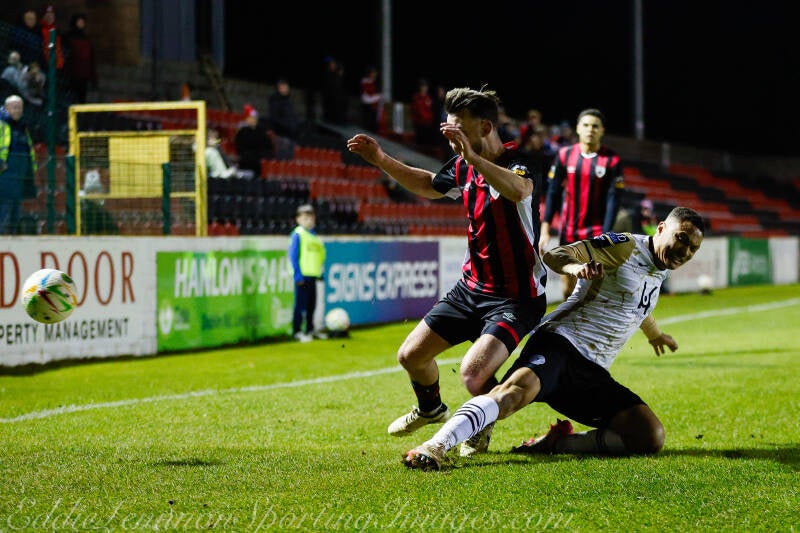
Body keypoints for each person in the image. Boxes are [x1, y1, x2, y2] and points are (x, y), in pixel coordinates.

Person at [403, 206, 705, 470]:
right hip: (561, 344)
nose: (685, 251)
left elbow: (636, 306)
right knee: (510, 397)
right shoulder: (624, 246)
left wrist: (655, 334)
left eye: (693, 248)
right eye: (681, 238)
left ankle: (557, 443)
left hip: (593, 371)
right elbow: (556, 254)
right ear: (661, 228)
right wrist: (577, 268)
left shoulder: (659, 267)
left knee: (648, 435)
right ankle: (436, 445)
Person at [346, 86, 548, 457]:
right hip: (471, 288)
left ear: (485, 127)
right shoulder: (461, 165)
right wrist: (381, 159)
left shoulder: (520, 160)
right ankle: (430, 409)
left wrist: (473, 157)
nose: (453, 140)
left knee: (473, 375)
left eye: (459, 131)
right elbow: (429, 185)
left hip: (516, 297)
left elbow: (519, 190)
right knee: (410, 356)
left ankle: (480, 425)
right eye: (449, 131)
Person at [540, 108, 625, 301]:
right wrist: (545, 229)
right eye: (586, 125)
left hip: (596, 233)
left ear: (602, 130)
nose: (590, 130)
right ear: (578, 128)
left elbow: (614, 199)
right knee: (568, 289)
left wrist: (605, 235)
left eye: (595, 126)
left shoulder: (612, 160)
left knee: (594, 290)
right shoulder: (564, 155)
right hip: (569, 232)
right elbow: (553, 192)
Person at [289, 204, 326, 343]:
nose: (308, 221)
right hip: (302, 276)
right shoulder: (298, 234)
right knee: (300, 306)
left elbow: (320, 256)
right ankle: (297, 331)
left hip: (313, 275)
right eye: (305, 218)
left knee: (312, 305)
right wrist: (297, 275)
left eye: (310, 218)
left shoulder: (315, 237)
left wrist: (320, 273)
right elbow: (293, 256)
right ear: (298, 219)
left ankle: (310, 330)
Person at [0, 95, 37, 234]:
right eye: (15, 107)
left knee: (15, 205)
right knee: (5, 204)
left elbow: (29, 149)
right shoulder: (1, 124)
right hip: (5, 171)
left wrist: (30, 168)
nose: (18, 111)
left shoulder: (22, 127)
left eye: (20, 108)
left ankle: (12, 235)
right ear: (7, 108)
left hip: (19, 172)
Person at [63, 12, 98, 104]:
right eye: (79, 22)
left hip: (83, 75)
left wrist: (93, 77)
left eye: (82, 22)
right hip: (71, 74)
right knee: (70, 99)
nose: (81, 24)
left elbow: (91, 58)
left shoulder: (86, 38)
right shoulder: (68, 37)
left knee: (82, 98)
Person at [234, 104, 273, 176]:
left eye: (255, 117)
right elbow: (240, 148)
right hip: (247, 162)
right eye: (251, 117)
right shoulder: (242, 132)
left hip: (260, 161)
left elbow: (268, 147)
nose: (254, 119)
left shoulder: (261, 131)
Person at [267, 78, 302, 159]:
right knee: (282, 160)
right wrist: (288, 127)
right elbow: (275, 119)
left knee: (289, 161)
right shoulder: (275, 101)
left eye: (286, 87)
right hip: (282, 136)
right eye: (283, 87)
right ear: (278, 88)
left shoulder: (288, 102)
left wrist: (296, 126)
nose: (285, 89)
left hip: (291, 136)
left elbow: (292, 117)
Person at [80, 169, 118, 234]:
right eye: (91, 192)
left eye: (94, 192)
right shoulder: (82, 208)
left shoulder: (104, 215)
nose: (93, 194)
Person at [409, 78, 436, 153]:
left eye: (425, 86)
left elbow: (431, 110)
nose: (424, 88)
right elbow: (417, 111)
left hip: (428, 123)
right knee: (421, 139)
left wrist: (430, 120)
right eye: (422, 86)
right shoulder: (416, 97)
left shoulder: (428, 98)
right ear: (419, 87)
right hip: (419, 123)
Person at [320, 56, 347, 125]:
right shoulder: (327, 74)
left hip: (337, 96)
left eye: (334, 64)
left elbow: (339, 85)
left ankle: (338, 122)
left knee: (338, 110)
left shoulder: (336, 74)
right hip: (329, 97)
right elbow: (327, 87)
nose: (333, 65)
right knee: (330, 111)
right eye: (331, 64)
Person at [39, 5, 64, 72]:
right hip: (44, 66)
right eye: (47, 14)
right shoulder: (39, 29)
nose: (50, 17)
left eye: (52, 14)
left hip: (57, 66)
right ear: (43, 16)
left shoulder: (57, 31)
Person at [359, 65, 383, 133]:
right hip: (368, 105)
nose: (374, 74)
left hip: (375, 105)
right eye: (373, 73)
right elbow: (366, 97)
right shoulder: (365, 82)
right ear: (369, 73)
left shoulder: (375, 82)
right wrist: (378, 96)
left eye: (375, 73)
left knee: (374, 123)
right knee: (368, 123)